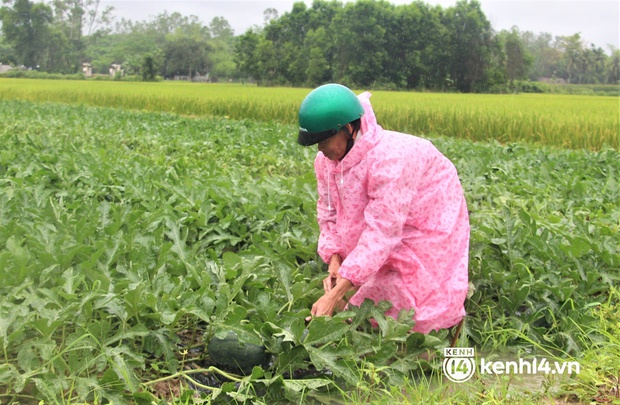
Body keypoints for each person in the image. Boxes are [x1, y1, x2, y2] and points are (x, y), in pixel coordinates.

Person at [297, 83, 470, 334]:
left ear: (347, 129)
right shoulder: (326, 161)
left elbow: (382, 232)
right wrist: (335, 261)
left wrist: (334, 296)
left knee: (413, 297)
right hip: (392, 219)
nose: (321, 150)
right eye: (316, 144)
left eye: (324, 141)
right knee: (361, 289)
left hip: (428, 216)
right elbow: (329, 212)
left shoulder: (390, 161)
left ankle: (424, 344)